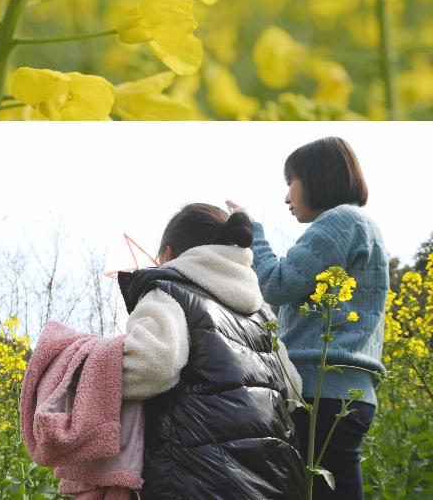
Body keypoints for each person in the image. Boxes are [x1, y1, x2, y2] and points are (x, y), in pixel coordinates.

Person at [229, 136, 388, 500]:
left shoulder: (340, 221)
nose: (287, 197)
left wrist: (252, 233)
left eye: (290, 183)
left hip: (321, 393)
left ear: (317, 178)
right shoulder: (360, 225)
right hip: (347, 394)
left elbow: (278, 283)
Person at [118, 203, 306, 499]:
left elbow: (152, 367)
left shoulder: (167, 290)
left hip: (196, 484)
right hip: (278, 485)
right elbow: (293, 389)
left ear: (168, 254)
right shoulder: (262, 314)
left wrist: (82, 375)